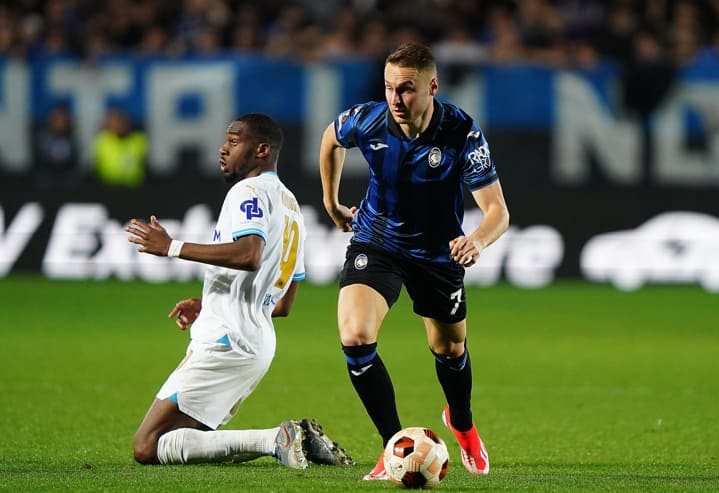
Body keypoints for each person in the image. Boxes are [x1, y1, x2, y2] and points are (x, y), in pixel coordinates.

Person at [319, 42, 509, 480]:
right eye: (389, 88)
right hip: (377, 242)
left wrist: (477, 240)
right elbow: (331, 139)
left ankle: (461, 423)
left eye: (406, 89)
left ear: (432, 87)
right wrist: (330, 201)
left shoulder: (461, 131)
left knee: (449, 348)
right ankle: (391, 449)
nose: (395, 99)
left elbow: (498, 211)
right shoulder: (368, 119)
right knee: (356, 336)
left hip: (437, 255)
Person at [126, 113, 353, 468]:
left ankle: (277, 438)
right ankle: (301, 442)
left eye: (233, 142)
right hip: (257, 345)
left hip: (226, 340)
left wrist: (171, 246)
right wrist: (211, 301)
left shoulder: (247, 191)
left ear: (261, 150)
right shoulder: (292, 207)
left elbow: (249, 255)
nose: (223, 149)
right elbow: (283, 305)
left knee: (147, 445)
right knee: (182, 442)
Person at [93, 106, 148, 187]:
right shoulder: (102, 141)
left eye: (120, 121)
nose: (118, 125)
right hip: (107, 187)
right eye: (114, 122)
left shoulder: (139, 140)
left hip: (134, 187)